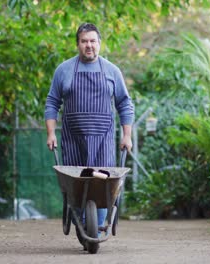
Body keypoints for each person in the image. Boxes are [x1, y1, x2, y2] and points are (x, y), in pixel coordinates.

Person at [44, 22, 134, 235]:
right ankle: (82, 224)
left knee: (103, 186)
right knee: (76, 186)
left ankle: (97, 229)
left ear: (99, 44)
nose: (89, 45)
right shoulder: (64, 70)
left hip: (103, 141)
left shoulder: (112, 71)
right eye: (84, 41)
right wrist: (50, 133)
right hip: (73, 140)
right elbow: (52, 102)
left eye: (93, 41)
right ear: (78, 44)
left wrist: (127, 135)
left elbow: (124, 103)